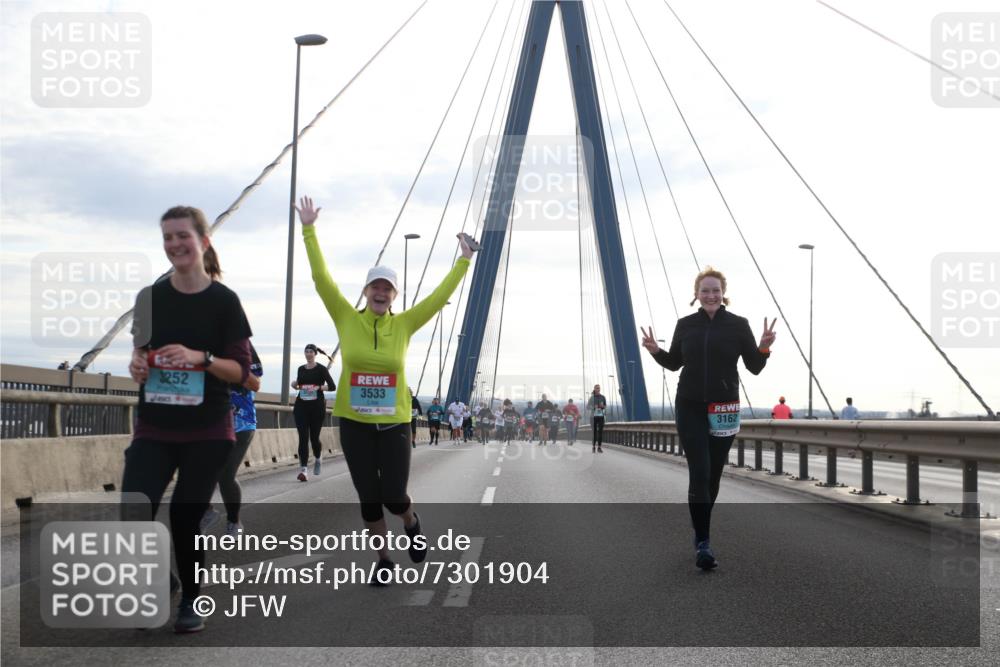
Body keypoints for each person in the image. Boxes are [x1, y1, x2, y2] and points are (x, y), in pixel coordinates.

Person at [297, 195, 473, 580]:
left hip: (394, 424)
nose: (380, 292)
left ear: (394, 296)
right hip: (355, 424)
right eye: (375, 287)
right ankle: (383, 561)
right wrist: (309, 230)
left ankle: (411, 522)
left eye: (387, 289)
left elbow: (440, 297)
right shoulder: (346, 318)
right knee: (369, 499)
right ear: (365, 292)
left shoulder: (405, 324)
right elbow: (321, 279)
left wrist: (462, 260)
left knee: (393, 495)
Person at [125, 205, 253, 633]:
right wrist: (138, 367)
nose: (175, 244)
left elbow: (243, 374)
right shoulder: (150, 298)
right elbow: (139, 355)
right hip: (155, 426)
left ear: (203, 241)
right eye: (167, 237)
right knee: (133, 512)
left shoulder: (224, 301)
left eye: (183, 235)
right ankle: (164, 580)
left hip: (207, 430)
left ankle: (192, 602)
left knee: (184, 516)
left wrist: (202, 358)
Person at [641, 265, 776, 570]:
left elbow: (755, 366)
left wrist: (764, 348)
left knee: (713, 475)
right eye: (705, 291)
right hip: (689, 405)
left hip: (724, 408)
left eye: (715, 290)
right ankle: (703, 541)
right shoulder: (685, 325)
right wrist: (654, 351)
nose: (711, 295)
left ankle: (702, 529)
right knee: (699, 471)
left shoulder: (739, 325)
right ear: (697, 295)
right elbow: (674, 363)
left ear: (723, 293)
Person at [201, 343, 263, 536]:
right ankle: (206, 511)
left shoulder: (242, 344)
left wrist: (220, 368)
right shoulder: (200, 342)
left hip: (241, 421)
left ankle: (234, 521)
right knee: (198, 470)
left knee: (225, 475)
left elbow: (255, 382)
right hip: (211, 419)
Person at [291, 344, 336, 481]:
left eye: (311, 351)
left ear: (315, 354)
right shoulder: (301, 369)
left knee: (314, 438)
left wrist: (319, 388)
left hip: (317, 407)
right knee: (303, 438)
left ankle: (318, 458)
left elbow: (332, 386)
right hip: (301, 406)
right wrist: (295, 384)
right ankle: (303, 470)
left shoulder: (321, 369)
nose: (308, 353)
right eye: (306, 351)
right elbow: (299, 385)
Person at [587, 385, 607, 453]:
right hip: (593, 417)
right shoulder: (592, 398)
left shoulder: (603, 397)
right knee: (594, 433)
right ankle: (593, 447)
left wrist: (602, 406)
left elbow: (605, 406)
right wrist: (593, 407)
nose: (598, 389)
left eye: (599, 388)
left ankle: (599, 447)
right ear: (594, 389)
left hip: (601, 416)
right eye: (597, 388)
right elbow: (587, 407)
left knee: (600, 432)